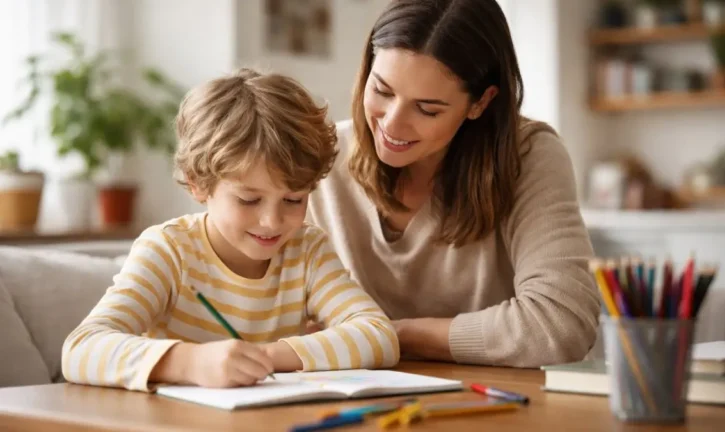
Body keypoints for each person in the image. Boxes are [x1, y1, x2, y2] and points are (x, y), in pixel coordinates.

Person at [61, 69, 399, 392]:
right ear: (198, 184)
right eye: (249, 200)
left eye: (293, 200)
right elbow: (81, 349)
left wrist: (265, 357)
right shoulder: (168, 250)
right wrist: (188, 363)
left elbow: (378, 335)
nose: (272, 221)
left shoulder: (306, 250)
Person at [306, 0, 600, 368]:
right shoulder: (321, 156)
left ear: (480, 102)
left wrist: (386, 336)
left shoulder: (527, 156)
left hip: (491, 409)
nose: (392, 124)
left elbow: (562, 323)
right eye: (382, 90)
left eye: (427, 109)